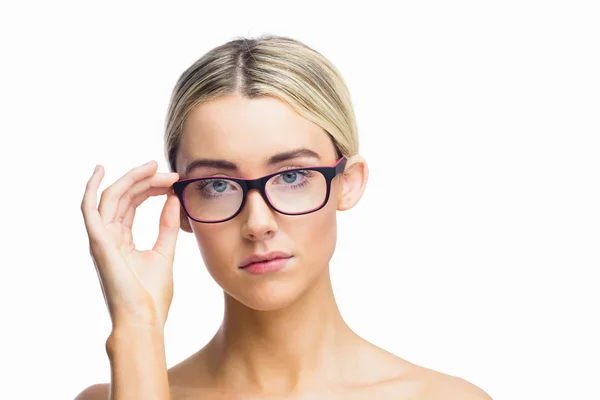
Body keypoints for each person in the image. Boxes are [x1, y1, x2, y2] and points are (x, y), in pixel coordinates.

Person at [76, 35, 491, 399]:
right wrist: (137, 331)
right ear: (181, 206)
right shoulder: (128, 385)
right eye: (217, 185)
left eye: (292, 176)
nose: (258, 224)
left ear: (347, 182)